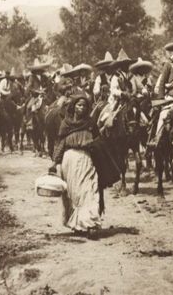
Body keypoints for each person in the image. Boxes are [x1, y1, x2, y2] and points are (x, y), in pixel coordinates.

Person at [51, 95, 102, 238]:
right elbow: (60, 144)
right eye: (79, 105)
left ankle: (90, 224)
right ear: (73, 106)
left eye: (84, 106)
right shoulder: (65, 124)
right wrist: (55, 162)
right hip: (70, 160)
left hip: (86, 159)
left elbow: (98, 140)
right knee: (74, 194)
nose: (81, 108)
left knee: (89, 189)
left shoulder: (91, 123)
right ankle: (78, 225)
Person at [148, 31, 173, 148]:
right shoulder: (169, 64)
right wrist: (161, 98)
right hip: (172, 97)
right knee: (163, 115)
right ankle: (157, 138)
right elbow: (161, 83)